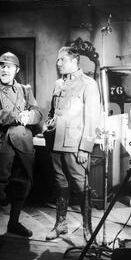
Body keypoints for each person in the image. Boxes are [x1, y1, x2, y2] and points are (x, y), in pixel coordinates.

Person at [0, 52, 42, 249]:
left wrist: (30, 117)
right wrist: (16, 116)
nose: (4, 69)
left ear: (17, 70)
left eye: (9, 66)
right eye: (2, 66)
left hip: (23, 143)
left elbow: (38, 112)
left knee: (23, 184)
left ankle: (14, 223)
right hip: (1, 144)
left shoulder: (24, 89)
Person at [43, 46, 101, 242]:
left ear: (75, 61)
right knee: (60, 184)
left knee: (81, 186)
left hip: (75, 145)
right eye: (58, 60)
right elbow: (52, 111)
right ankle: (60, 225)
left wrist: (85, 147)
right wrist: (46, 126)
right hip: (55, 143)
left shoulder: (88, 84)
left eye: (62, 60)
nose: (58, 63)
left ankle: (87, 228)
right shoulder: (58, 83)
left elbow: (93, 118)